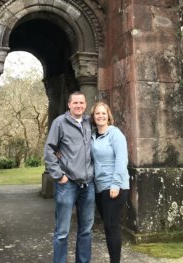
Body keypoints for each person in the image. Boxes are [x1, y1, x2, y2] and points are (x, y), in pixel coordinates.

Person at [44, 91, 95, 263]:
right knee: (62, 232)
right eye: (75, 103)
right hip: (67, 184)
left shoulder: (90, 122)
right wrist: (59, 176)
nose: (79, 105)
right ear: (69, 104)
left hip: (88, 185)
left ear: (85, 104)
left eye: (81, 103)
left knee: (86, 230)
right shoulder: (60, 122)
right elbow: (49, 150)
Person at [90, 102, 130, 263]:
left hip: (115, 186)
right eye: (97, 113)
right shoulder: (93, 135)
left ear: (108, 116)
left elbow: (121, 160)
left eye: (103, 113)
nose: (100, 116)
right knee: (108, 227)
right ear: (93, 117)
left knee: (112, 227)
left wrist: (115, 184)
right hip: (100, 187)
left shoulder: (115, 134)